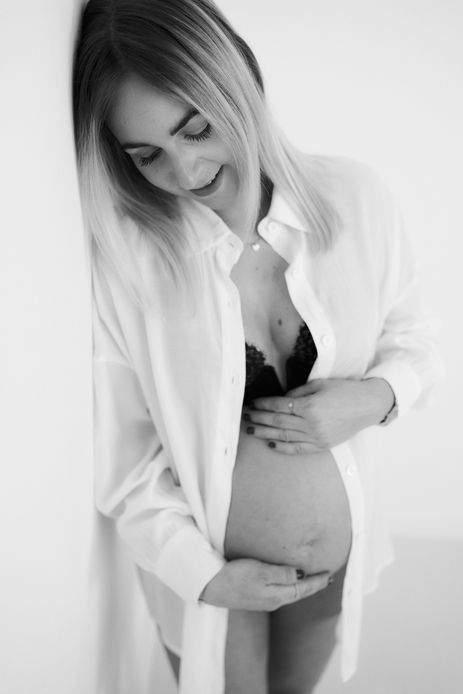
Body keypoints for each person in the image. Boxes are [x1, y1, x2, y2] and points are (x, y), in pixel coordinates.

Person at [73, 1, 441, 692]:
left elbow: (415, 338)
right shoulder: (132, 263)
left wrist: (377, 397)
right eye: (146, 155)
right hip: (214, 577)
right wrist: (203, 576)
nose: (185, 170)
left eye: (196, 128)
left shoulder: (355, 199)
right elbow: (125, 462)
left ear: (238, 80)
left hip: (331, 565)